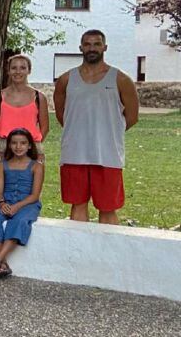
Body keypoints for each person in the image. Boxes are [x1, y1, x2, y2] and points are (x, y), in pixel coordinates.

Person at [55, 30, 139, 225]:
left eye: (97, 44)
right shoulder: (66, 80)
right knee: (77, 205)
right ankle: (78, 252)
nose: (92, 48)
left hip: (107, 155)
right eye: (87, 44)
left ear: (105, 47)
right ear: (80, 48)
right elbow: (62, 115)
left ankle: (108, 254)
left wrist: (108, 132)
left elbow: (132, 117)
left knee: (108, 208)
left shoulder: (121, 79)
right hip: (74, 154)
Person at [0, 128, 44, 278]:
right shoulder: (3, 165)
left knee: (20, 221)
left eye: (23, 143)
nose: (18, 147)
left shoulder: (36, 166)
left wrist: (17, 206)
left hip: (27, 204)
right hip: (6, 201)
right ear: (9, 145)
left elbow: (35, 195)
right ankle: (2, 264)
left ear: (29, 146)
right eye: (14, 143)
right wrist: (2, 203)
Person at [0, 54, 49, 167]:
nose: (18, 72)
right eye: (14, 68)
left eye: (22, 68)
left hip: (31, 145)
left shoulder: (39, 97)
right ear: (8, 71)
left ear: (29, 71)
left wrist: (31, 145)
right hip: (4, 146)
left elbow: (45, 127)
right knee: (2, 183)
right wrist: (6, 143)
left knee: (30, 183)